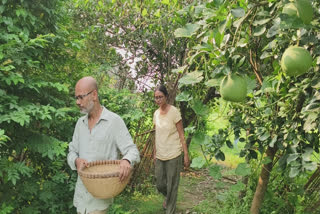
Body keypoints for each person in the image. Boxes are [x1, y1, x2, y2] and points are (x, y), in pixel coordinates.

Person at [67, 76, 140, 214]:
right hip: (80, 196)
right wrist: (76, 161)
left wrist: (126, 160)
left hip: (99, 199)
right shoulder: (80, 124)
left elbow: (132, 150)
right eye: (76, 98)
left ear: (94, 95)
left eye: (81, 97)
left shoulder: (114, 121)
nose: (77, 102)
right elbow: (72, 152)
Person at [153, 85, 190, 214]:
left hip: (174, 153)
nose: (158, 100)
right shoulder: (156, 114)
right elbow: (156, 134)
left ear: (166, 97)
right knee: (160, 184)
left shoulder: (174, 111)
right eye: (156, 98)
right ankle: (168, 198)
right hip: (160, 154)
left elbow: (181, 134)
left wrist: (185, 154)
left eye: (160, 97)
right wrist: (154, 153)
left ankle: (170, 211)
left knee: (172, 186)